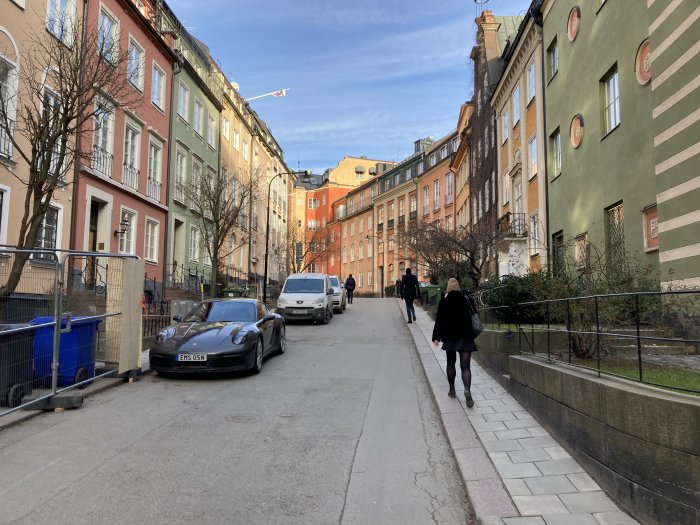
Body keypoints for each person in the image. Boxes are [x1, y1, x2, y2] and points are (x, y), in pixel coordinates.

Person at [431, 278, 478, 407]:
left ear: (448, 287)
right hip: (465, 337)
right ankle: (467, 390)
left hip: (450, 338)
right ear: (458, 287)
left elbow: (439, 320)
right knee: (466, 367)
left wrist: (436, 337)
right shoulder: (465, 299)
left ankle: (452, 390)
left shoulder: (444, 301)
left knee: (450, 364)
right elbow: (473, 315)